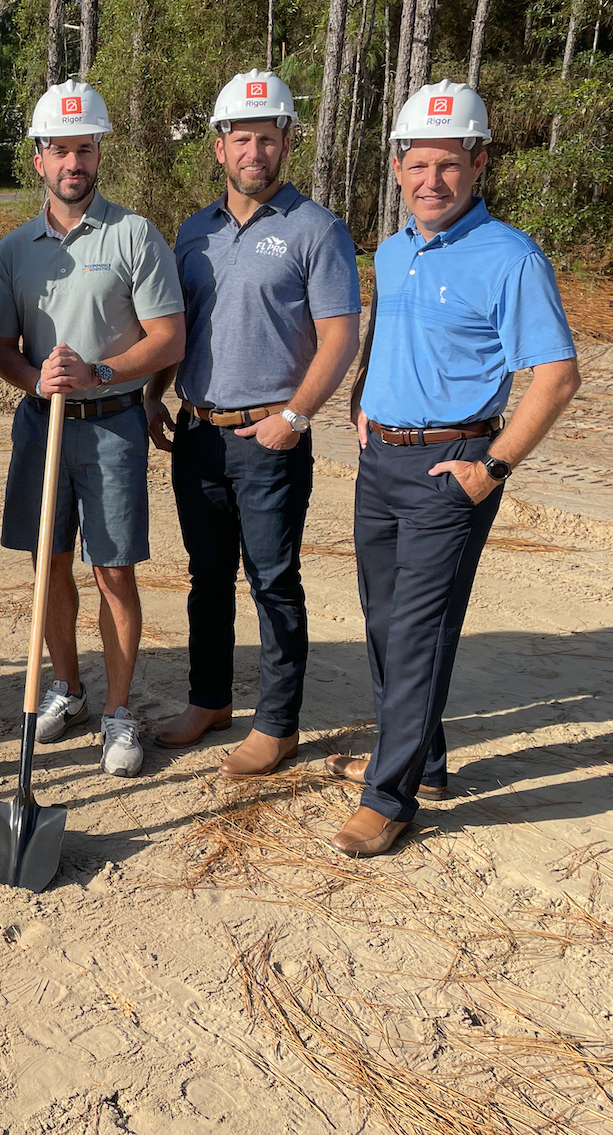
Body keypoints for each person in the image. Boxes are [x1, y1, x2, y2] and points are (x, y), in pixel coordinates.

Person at [333, 80, 581, 856]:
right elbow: (386, 330)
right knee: (381, 620)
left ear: (478, 163)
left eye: (449, 164)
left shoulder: (509, 257)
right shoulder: (396, 248)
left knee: (418, 630)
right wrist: (366, 396)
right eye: (418, 164)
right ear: (399, 164)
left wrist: (493, 467)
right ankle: (423, 762)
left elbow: (557, 375)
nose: (431, 180)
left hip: (456, 463)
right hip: (383, 461)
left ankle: (389, 795)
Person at [150, 70, 361, 777]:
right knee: (206, 575)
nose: (255, 152)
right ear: (220, 147)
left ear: (286, 142)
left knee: (273, 581)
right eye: (242, 138)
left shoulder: (317, 229)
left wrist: (295, 417)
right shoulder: (194, 233)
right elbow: (176, 330)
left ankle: (278, 724)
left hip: (268, 437)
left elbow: (339, 337)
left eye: (267, 139)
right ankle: (209, 699)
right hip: (198, 432)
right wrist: (156, 394)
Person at [0, 79, 186, 779]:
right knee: (48, 566)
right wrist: (33, 378)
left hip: (112, 427)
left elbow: (169, 336)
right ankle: (69, 689)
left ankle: (119, 710)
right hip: (41, 427)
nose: (73, 163)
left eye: (84, 148)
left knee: (112, 571)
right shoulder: (15, 250)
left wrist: (100, 374)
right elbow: (4, 350)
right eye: (59, 151)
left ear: (98, 152)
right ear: (39, 159)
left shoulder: (133, 235)